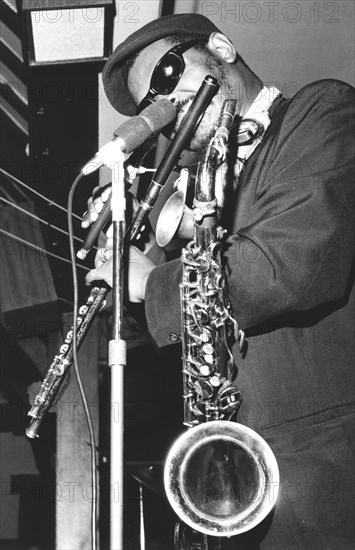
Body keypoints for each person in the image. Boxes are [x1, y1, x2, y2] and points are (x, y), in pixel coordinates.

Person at [85, 13, 355, 549]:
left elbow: (292, 268)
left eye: (168, 73)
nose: (163, 104)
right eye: (149, 102)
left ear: (221, 47)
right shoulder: (210, 188)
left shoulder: (321, 110)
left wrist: (151, 283)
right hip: (242, 475)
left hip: (324, 464)